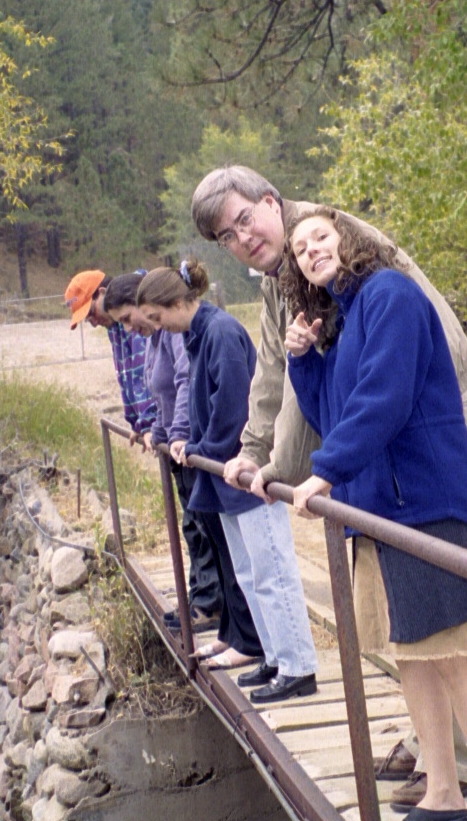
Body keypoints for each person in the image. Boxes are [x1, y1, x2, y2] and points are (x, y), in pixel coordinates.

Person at [192, 166, 467, 805]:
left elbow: (386, 372)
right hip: (385, 431)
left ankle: (464, 768)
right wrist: (256, 454)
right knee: (404, 607)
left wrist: (304, 468)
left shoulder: (328, 239)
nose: (242, 239)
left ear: (270, 201)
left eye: (244, 219)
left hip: (439, 411)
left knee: (441, 600)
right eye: (226, 236)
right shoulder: (286, 276)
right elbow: (283, 369)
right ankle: (436, 750)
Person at [281, 208, 467, 821]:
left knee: (455, 657)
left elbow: (384, 399)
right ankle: (443, 793)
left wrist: (324, 472)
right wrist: (304, 360)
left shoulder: (391, 295)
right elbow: (334, 414)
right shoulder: (347, 319)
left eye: (321, 237)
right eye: (300, 248)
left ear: (349, 240)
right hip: (380, 516)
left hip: (425, 506)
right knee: (410, 657)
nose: (311, 250)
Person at [136, 260, 319, 703]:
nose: (158, 328)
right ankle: (274, 656)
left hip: (244, 469)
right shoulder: (197, 335)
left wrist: (204, 448)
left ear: (177, 302)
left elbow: (235, 404)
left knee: (272, 571)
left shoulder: (218, 332)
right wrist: (197, 445)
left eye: (158, 317)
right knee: (249, 573)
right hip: (224, 471)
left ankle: (298, 666)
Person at [101, 271, 225, 632]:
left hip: (188, 446)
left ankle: (211, 605)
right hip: (174, 446)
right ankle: (200, 598)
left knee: (201, 525)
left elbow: (184, 380)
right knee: (193, 525)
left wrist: (179, 433)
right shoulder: (155, 340)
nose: (129, 328)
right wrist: (156, 431)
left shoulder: (171, 335)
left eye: (128, 318)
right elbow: (158, 390)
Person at [65, 270, 157, 440]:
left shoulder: (134, 317)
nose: (94, 323)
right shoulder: (113, 327)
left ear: (102, 292)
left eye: (91, 313)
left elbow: (142, 373)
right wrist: (136, 422)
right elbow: (125, 376)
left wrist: (148, 423)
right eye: (88, 320)